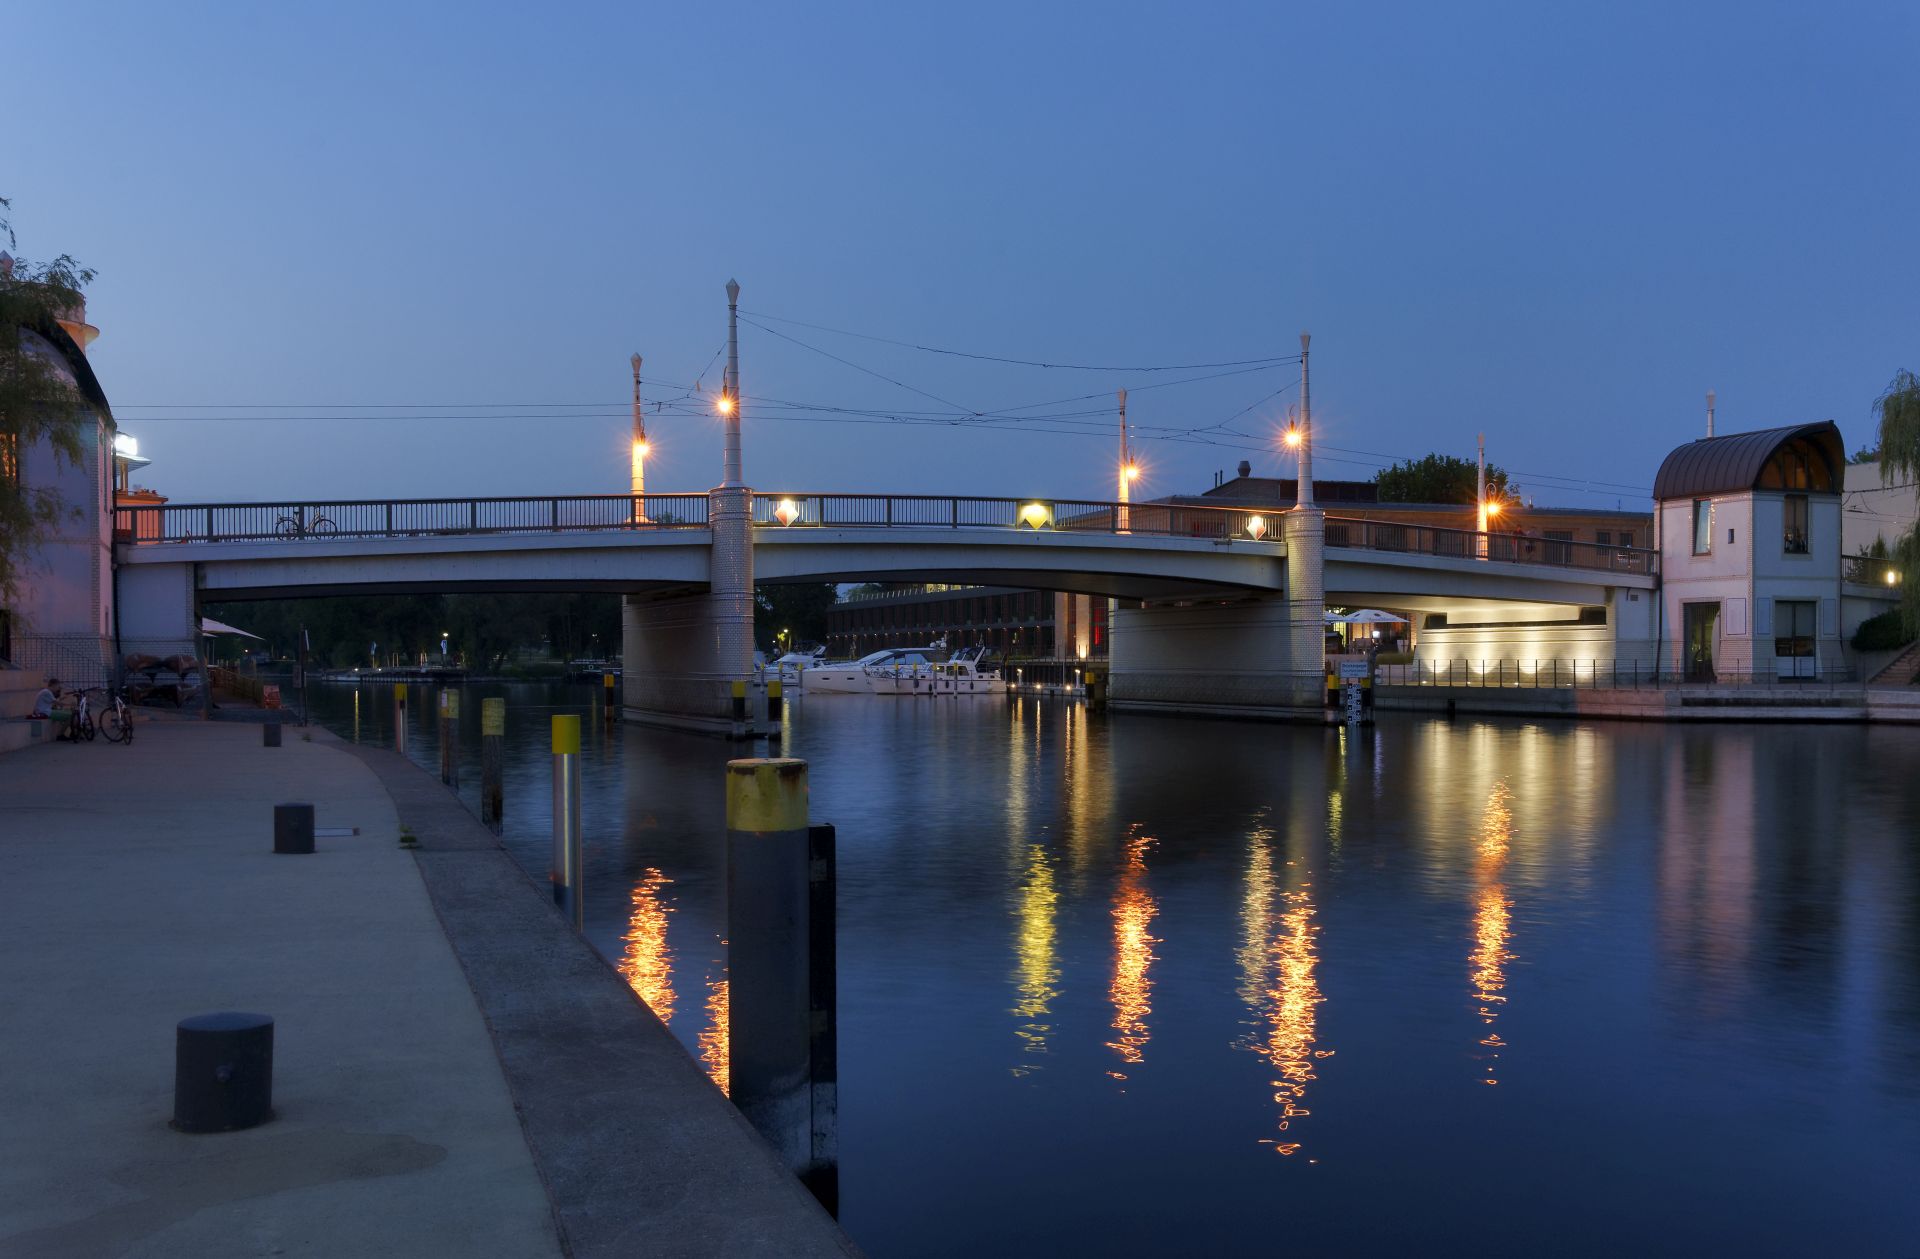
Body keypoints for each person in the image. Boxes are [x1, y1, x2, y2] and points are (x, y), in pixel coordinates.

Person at [32, 678, 72, 742]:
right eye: (58, 686)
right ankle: (60, 735)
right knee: (70, 716)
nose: (58, 689)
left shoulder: (45, 691)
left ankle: (62, 733)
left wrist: (62, 699)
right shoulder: (47, 692)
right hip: (45, 712)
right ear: (54, 685)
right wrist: (70, 705)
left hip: (43, 711)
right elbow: (57, 703)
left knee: (65, 714)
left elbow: (54, 702)